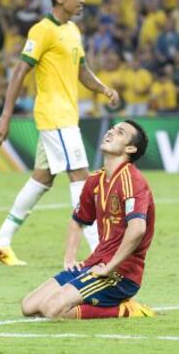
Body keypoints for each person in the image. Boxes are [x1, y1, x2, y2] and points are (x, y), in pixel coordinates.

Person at [0, 0, 119, 266]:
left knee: (42, 179)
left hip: (66, 116)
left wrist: (104, 89)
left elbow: (82, 70)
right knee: (81, 177)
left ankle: (1, 241)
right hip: (54, 116)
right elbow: (20, 72)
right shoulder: (42, 30)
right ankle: (99, 251)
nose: (83, 0)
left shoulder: (73, 31)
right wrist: (6, 116)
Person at [21, 120, 155, 319]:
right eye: (112, 129)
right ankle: (93, 295)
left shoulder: (132, 180)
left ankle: (126, 309)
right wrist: (70, 258)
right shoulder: (95, 180)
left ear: (131, 148)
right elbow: (78, 219)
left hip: (121, 273)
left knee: (53, 309)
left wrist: (110, 268)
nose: (110, 132)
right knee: (29, 307)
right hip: (94, 263)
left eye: (120, 132)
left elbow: (137, 229)